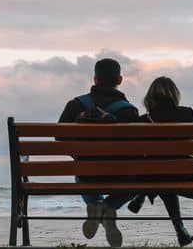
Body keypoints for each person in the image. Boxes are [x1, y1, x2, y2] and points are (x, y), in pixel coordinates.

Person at [58, 58, 140, 248]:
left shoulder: (75, 106)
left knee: (84, 172)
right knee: (139, 179)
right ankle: (108, 207)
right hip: (121, 177)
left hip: (86, 175)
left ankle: (95, 204)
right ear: (120, 80)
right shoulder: (129, 111)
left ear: (95, 79)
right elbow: (138, 149)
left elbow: (59, 138)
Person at [128, 76, 193, 246]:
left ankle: (143, 193)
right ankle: (180, 228)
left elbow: (137, 152)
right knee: (168, 178)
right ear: (174, 94)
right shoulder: (186, 113)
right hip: (183, 173)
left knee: (160, 174)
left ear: (150, 96)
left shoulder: (143, 120)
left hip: (151, 174)